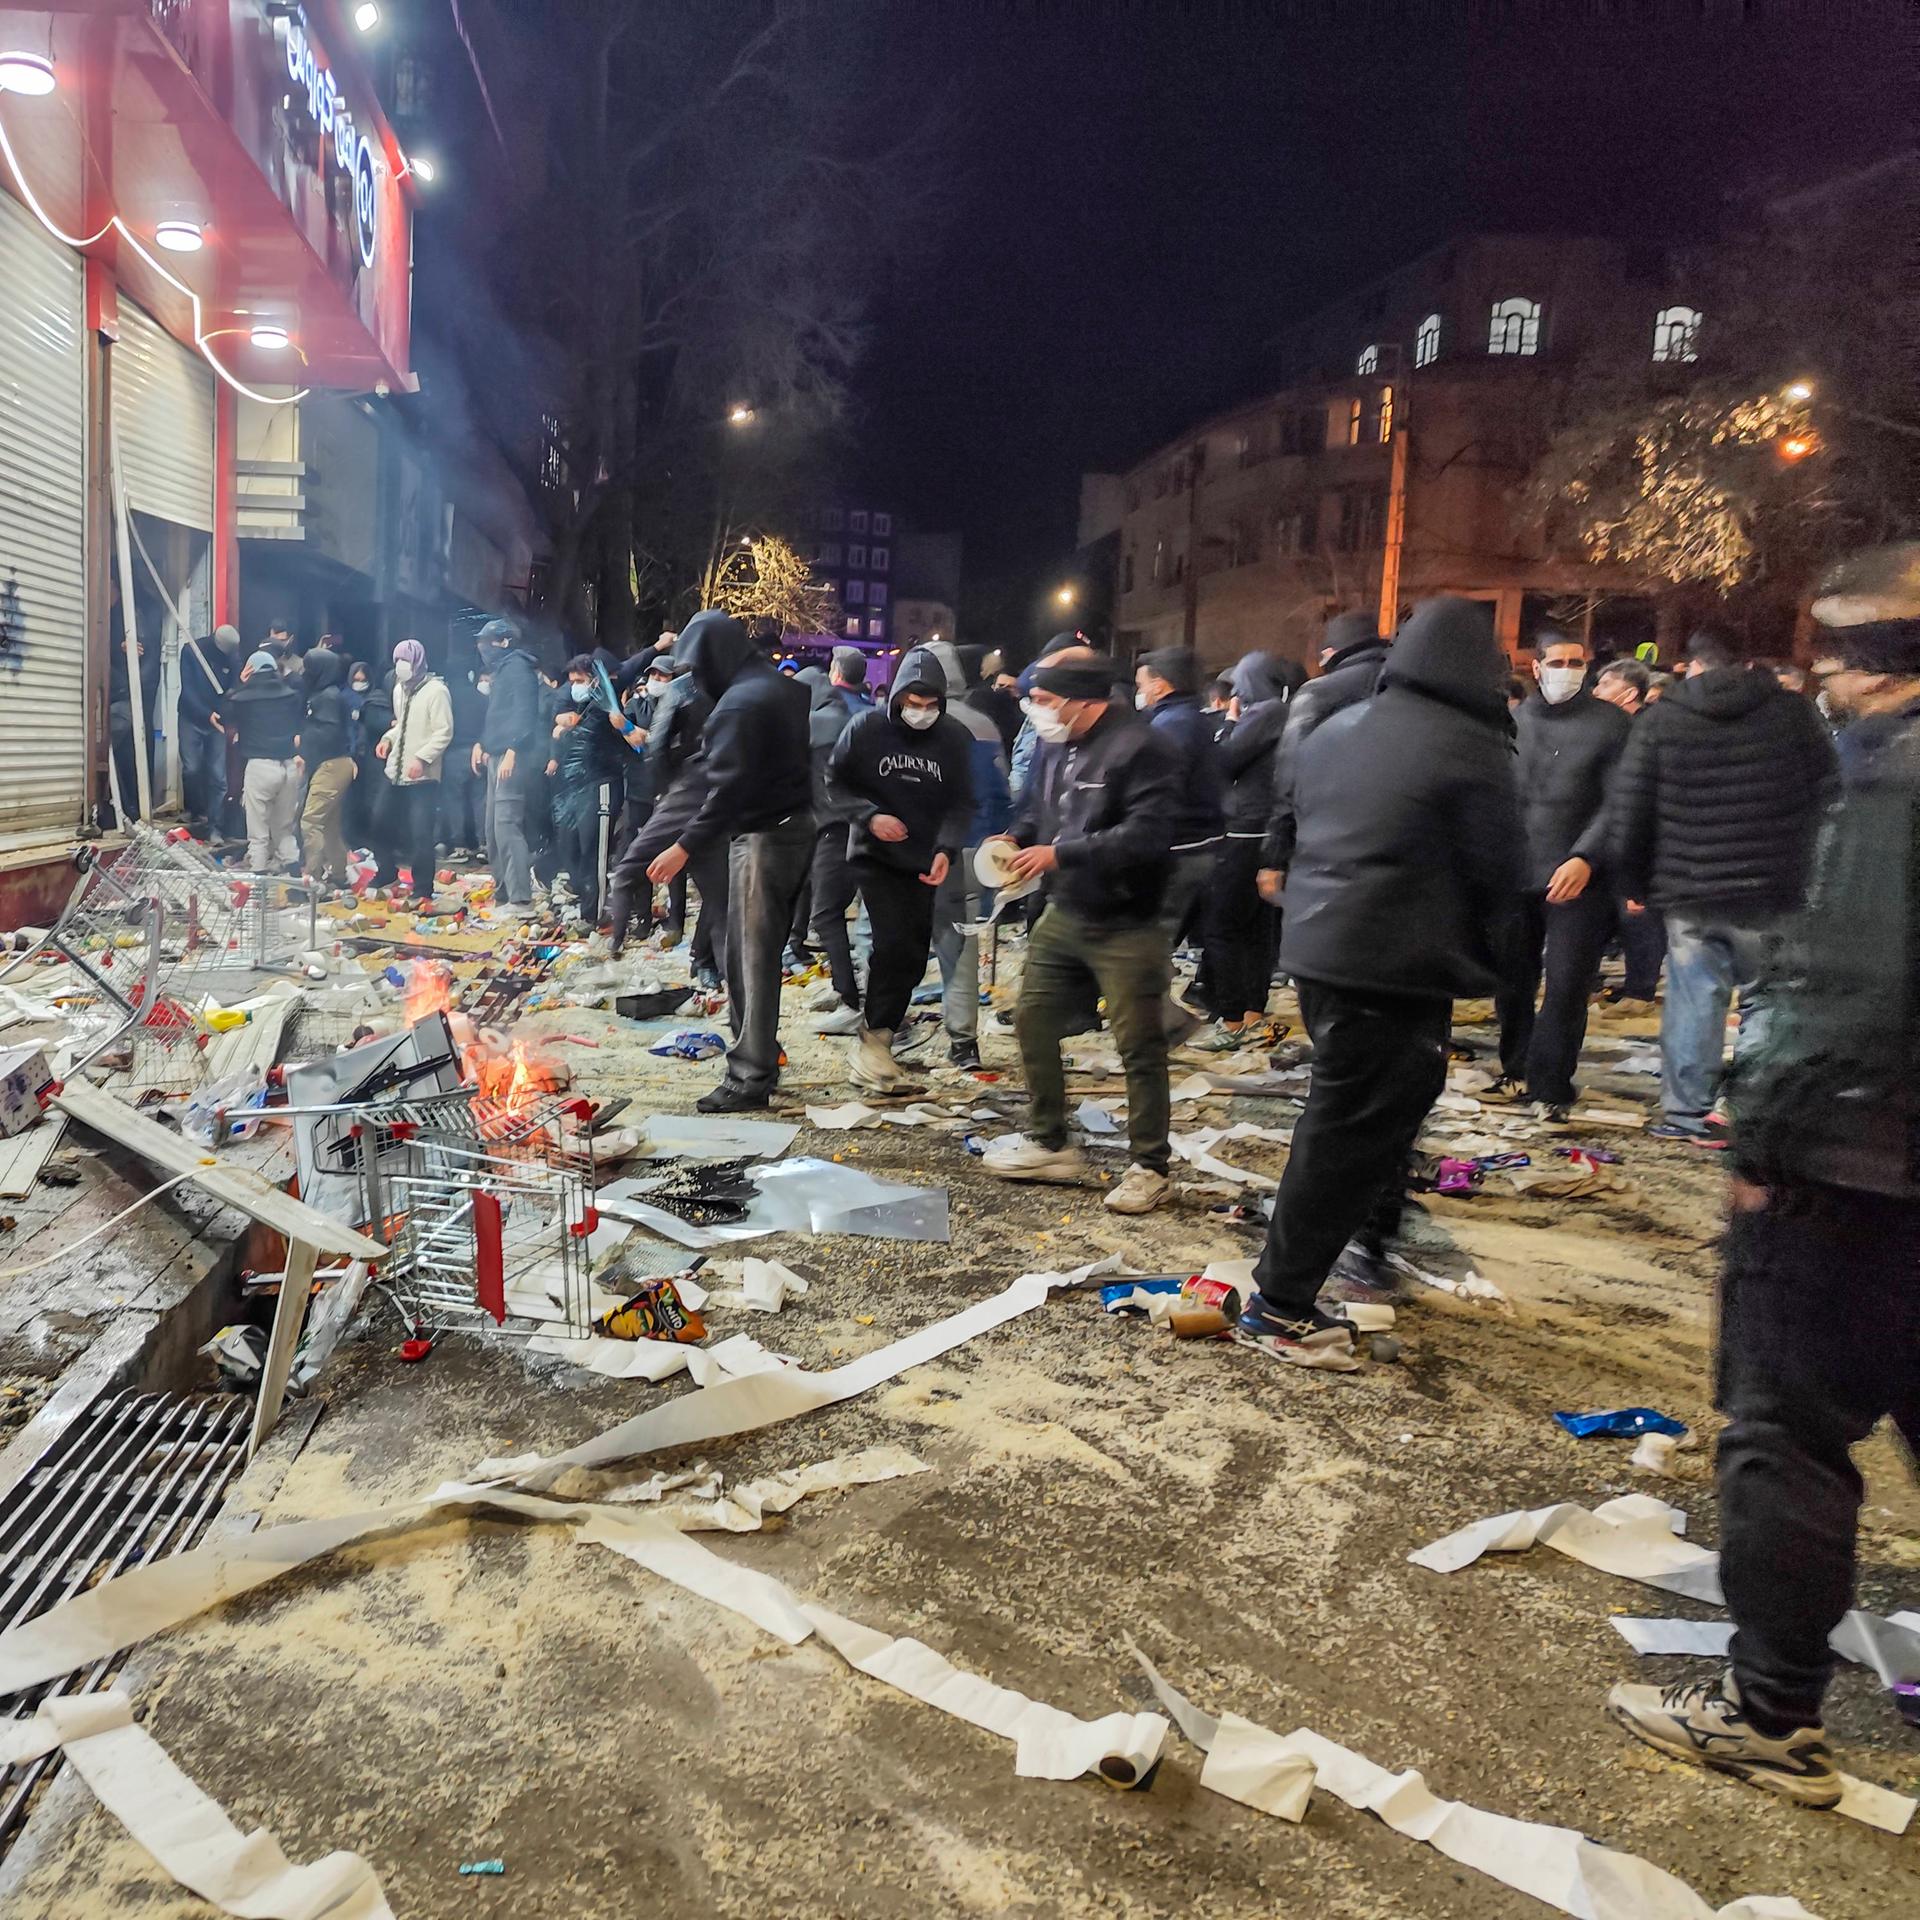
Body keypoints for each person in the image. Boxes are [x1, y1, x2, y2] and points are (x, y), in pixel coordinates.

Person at [1607, 548, 1920, 1808]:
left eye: (1839, 658)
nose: (1826, 683)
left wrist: (1763, 1140)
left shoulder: (1889, 793)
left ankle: (1772, 1710)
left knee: (1786, 1429)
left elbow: (1849, 992)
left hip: (1852, 1171)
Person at [1239, 598, 1523, 1354]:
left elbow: (1296, 816)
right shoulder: (1472, 744)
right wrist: (1506, 966)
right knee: (1351, 1129)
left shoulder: (1339, 726)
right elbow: (1504, 868)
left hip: (1322, 946)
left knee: (1348, 1117)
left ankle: (1302, 1278)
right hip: (1397, 962)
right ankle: (1281, 1302)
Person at [1609, 625, 1838, 1145]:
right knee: (1766, 1000)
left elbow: (1631, 809)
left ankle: (1687, 1114)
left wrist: (1634, 882)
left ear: (1692, 664)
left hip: (1689, 888)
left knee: (1694, 1000)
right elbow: (1829, 793)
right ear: (1748, 660)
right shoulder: (1792, 713)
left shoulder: (1662, 719)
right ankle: (1744, 1112)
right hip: (1776, 886)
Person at [979, 650, 1182, 1216]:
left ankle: (1150, 1165)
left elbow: (1146, 835)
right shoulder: (1054, 741)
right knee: (1032, 1019)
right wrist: (1016, 840)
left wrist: (1059, 855)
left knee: (1138, 1043)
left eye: (1044, 701)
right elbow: (1038, 812)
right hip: (1066, 911)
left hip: (1128, 920)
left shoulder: (1145, 748)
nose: (1036, 712)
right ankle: (1049, 1141)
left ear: (1085, 700)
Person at [643, 613, 814, 1111]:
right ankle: (761, 1053)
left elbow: (726, 792)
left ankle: (749, 1075)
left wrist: (683, 846)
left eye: (697, 669)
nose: (696, 681)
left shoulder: (739, 705)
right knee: (755, 954)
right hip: (794, 825)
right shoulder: (779, 688)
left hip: (763, 835)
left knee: (748, 958)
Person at [1484, 630, 1631, 1120]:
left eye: (1577, 661)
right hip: (1516, 871)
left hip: (1578, 874)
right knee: (1512, 977)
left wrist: (1586, 856)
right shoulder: (1515, 721)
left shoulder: (1611, 725)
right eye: (1559, 661)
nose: (1568, 670)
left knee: (1568, 982)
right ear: (1537, 667)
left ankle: (1550, 1082)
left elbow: (1620, 801)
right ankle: (1517, 1064)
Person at [822, 647, 975, 1091]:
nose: (921, 713)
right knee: (889, 943)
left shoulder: (953, 739)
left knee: (912, 951)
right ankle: (873, 1042)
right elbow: (834, 781)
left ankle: (880, 1036)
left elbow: (961, 802)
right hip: (874, 854)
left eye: (931, 706)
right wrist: (869, 815)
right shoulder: (866, 728)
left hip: (926, 858)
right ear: (897, 697)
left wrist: (947, 848)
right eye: (914, 703)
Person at [922, 638, 1011, 1070]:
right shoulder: (983, 724)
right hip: (976, 850)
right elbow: (1001, 791)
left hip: (918, 853)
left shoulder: (912, 723)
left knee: (883, 939)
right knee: (961, 946)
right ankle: (963, 1043)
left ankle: (884, 1028)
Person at [1202, 652, 1299, 1035]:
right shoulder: (1290, 712)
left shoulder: (1266, 714)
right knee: (1259, 930)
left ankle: (1231, 1018)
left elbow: (1223, 763)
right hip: (1271, 831)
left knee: (1223, 926)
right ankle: (1253, 1011)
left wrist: (1228, 722)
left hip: (1245, 831)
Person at [1134, 646, 1226, 1040]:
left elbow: (1157, 791)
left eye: (1142, 683)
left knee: (1152, 936)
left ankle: (1162, 1023)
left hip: (1177, 848)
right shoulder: (1197, 720)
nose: (1140, 691)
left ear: (1160, 683)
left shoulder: (1170, 727)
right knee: (1160, 936)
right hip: (1199, 843)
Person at [606, 653, 721, 964]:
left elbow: (655, 746)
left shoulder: (683, 695)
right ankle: (701, 956)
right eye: (653, 675)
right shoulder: (722, 692)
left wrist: (664, 787)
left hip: (679, 793)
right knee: (712, 886)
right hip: (689, 794)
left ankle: (631, 937)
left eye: (663, 675)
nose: (657, 681)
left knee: (638, 869)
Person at [1257, 610, 1387, 881]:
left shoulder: (1318, 693)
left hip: (1327, 842)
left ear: (1330, 652)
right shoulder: (1405, 686)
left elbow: (1290, 776)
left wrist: (1275, 855)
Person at [1590, 658, 1667, 1011]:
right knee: (1598, 916)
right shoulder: (1605, 727)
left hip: (1636, 837)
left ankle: (1640, 991)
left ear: (1629, 693)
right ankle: (1591, 983)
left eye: (1605, 684)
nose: (1596, 691)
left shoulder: (1646, 730)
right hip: (1602, 835)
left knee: (1636, 915)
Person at [799, 670, 864, 1027]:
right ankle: (847, 989)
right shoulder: (853, 720)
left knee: (825, 914)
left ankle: (850, 1002)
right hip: (860, 825)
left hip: (836, 827)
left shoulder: (813, 727)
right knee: (839, 913)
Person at [545, 654, 626, 929]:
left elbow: (599, 738)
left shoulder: (606, 708)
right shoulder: (574, 703)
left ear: (594, 680)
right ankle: (584, 898)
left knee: (595, 850)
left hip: (602, 783)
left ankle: (594, 914)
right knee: (571, 845)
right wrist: (559, 728)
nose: (574, 686)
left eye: (580, 680)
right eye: (572, 681)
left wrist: (563, 731)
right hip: (575, 787)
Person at [373, 640, 454, 908]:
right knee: (379, 821)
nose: (400, 666)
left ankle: (422, 887)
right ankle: (386, 872)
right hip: (395, 768)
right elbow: (401, 726)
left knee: (421, 833)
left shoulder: (437, 691)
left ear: (418, 662)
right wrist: (388, 738)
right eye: (397, 660)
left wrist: (422, 758)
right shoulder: (399, 690)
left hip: (423, 775)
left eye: (405, 661)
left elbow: (443, 731)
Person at [474, 617, 544, 909]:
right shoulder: (501, 670)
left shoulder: (518, 669)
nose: (483, 649)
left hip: (513, 757)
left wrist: (514, 750)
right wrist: (483, 744)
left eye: (487, 643)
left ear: (504, 642)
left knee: (507, 824)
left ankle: (520, 897)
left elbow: (525, 713)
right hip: (497, 755)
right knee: (492, 827)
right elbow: (498, 716)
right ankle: (503, 891)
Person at [228, 649, 304, 872]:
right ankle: (296, 889)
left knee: (258, 834)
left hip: (260, 767)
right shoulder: (290, 694)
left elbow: (226, 713)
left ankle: (259, 893)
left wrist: (241, 683)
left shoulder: (244, 698)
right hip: (289, 766)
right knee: (284, 830)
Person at [296, 646, 356, 891]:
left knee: (310, 821)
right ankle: (339, 875)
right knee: (329, 824)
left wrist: (303, 739)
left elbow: (328, 732)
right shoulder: (325, 693)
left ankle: (313, 878)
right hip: (335, 765)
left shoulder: (327, 697)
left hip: (331, 765)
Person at [178, 625, 239, 839]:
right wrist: (206, 714)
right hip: (191, 717)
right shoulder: (191, 651)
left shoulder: (232, 657)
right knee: (191, 769)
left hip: (218, 723)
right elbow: (187, 691)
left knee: (218, 777)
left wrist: (224, 715)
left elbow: (233, 691)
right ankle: (195, 811)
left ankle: (215, 827)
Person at [439, 642, 490, 862]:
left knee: (454, 800)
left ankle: (459, 846)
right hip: (477, 753)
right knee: (480, 800)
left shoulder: (446, 698)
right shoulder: (481, 698)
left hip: (453, 753)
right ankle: (483, 844)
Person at [965, 647, 1024, 754]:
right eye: (1001, 686)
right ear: (993, 686)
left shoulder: (1023, 718)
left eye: (1009, 687)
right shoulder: (980, 706)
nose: (1003, 690)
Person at [829, 645, 873, 719]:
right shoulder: (871, 710)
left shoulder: (828, 704)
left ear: (838, 674)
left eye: (831, 670)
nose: (829, 674)